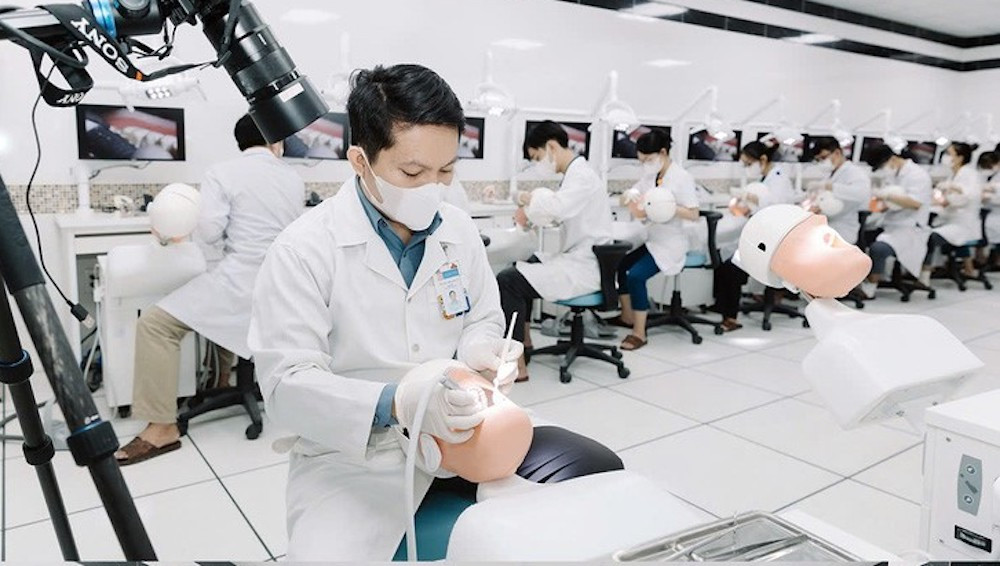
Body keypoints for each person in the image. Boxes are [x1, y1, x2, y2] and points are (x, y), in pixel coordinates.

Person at [247, 65, 622, 561]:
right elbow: (287, 387)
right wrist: (397, 402)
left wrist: (481, 349)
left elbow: (483, 316)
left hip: (470, 429)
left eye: (446, 171)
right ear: (360, 160)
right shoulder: (304, 250)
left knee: (597, 480)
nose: (434, 188)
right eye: (413, 173)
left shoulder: (458, 230)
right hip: (356, 457)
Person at [114, 115, 305, 465]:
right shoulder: (292, 177)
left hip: (241, 284)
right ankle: (218, 382)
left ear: (241, 143)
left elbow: (208, 232)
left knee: (156, 324)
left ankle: (161, 428)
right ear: (276, 142)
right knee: (215, 306)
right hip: (281, 288)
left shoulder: (223, 173)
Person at [496, 121, 613, 376]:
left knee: (508, 281)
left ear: (551, 147)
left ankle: (516, 364)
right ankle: (525, 342)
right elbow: (558, 212)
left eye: (537, 158)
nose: (539, 164)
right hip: (576, 257)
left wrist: (527, 200)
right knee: (524, 263)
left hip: (584, 265)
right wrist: (530, 210)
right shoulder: (573, 175)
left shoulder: (581, 176)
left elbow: (556, 207)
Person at [609, 129, 699, 349]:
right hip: (652, 239)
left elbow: (694, 213)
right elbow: (634, 196)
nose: (645, 165)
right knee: (620, 267)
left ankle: (639, 333)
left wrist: (667, 207)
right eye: (642, 161)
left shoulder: (682, 177)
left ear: (663, 152)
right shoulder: (651, 175)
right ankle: (627, 317)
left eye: (648, 160)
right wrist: (628, 196)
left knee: (636, 276)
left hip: (671, 243)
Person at [856, 143, 932, 298]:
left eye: (881, 166)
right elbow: (888, 203)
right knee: (860, 238)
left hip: (910, 228)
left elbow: (915, 203)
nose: (882, 170)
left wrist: (887, 196)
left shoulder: (917, 175)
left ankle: (870, 288)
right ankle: (858, 280)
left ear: (891, 159)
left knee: (878, 248)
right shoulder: (892, 173)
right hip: (890, 223)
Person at [921, 142, 983, 284]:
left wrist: (952, 191)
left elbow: (969, 196)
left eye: (949, 154)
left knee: (930, 238)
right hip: (949, 219)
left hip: (962, 223)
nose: (946, 157)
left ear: (960, 157)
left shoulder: (969, 174)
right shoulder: (953, 174)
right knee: (924, 232)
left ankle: (924, 277)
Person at [805, 136, 872, 244]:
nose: (822, 162)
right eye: (818, 160)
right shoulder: (830, 174)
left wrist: (830, 187)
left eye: (824, 157)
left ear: (837, 152)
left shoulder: (854, 172)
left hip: (843, 229)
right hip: (828, 225)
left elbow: (862, 194)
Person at [741, 139, 796, 204]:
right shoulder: (765, 177)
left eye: (749, 164)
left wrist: (755, 199)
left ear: (763, 159)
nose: (747, 168)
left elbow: (776, 203)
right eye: (745, 165)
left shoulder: (778, 177)